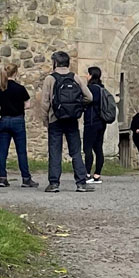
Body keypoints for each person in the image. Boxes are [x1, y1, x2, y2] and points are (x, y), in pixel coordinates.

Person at [37, 50, 93, 192]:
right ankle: (81, 182)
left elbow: (44, 103)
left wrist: (46, 120)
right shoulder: (75, 77)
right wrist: (78, 107)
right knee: (75, 151)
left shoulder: (50, 79)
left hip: (55, 119)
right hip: (72, 119)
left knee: (55, 152)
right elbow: (89, 97)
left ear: (55, 63)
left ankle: (54, 183)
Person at [0, 62, 37, 188]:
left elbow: (0, 103)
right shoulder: (20, 89)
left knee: (2, 151)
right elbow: (28, 104)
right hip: (17, 120)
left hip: (3, 120)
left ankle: (2, 178)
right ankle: (26, 178)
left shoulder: (0, 89)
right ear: (16, 73)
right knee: (21, 151)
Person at [82, 66, 117, 182]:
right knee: (98, 149)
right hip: (101, 123)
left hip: (91, 122)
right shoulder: (102, 88)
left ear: (91, 75)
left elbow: (85, 102)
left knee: (88, 149)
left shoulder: (90, 89)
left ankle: (87, 174)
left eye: (88, 74)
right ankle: (97, 174)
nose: (86, 76)